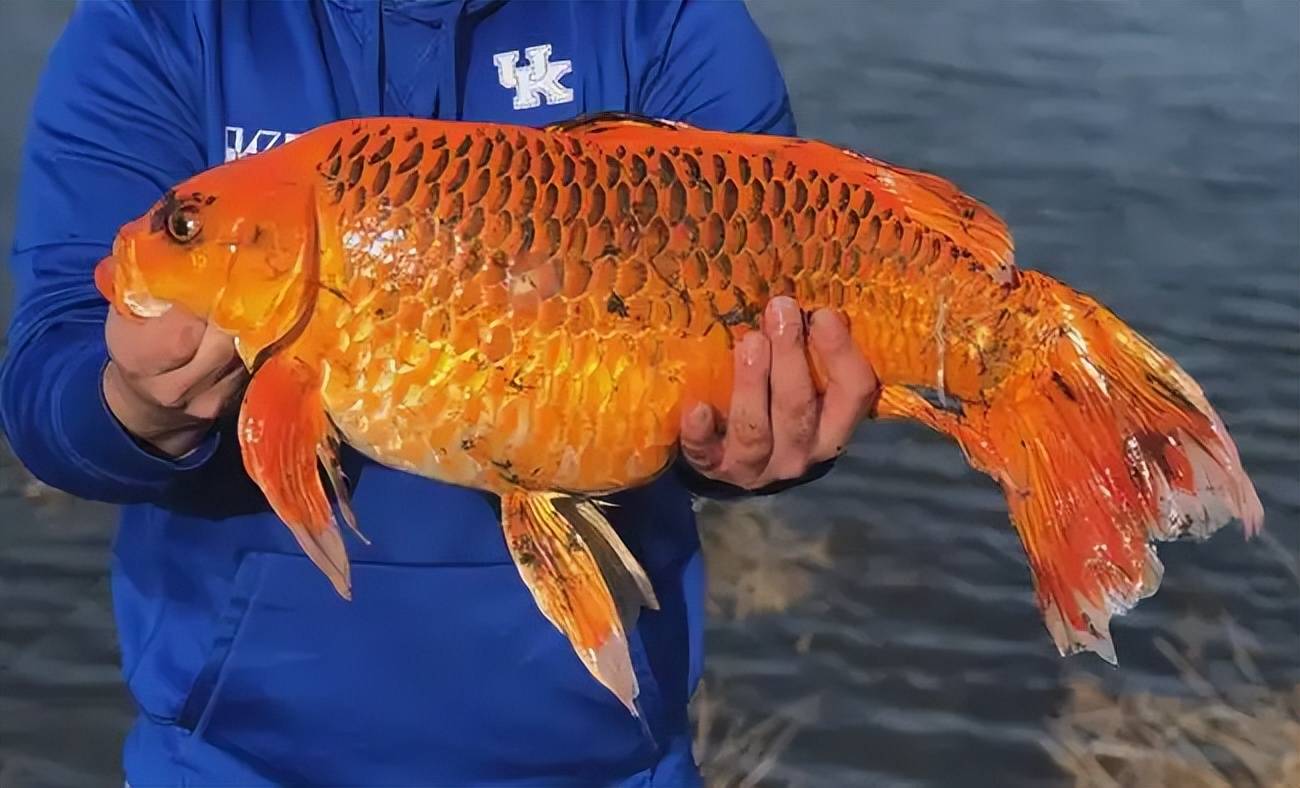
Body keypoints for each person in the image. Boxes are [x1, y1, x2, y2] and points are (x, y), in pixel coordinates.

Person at [0, 1, 878, 785]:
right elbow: (47, 382)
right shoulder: (158, 19)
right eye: (185, 226)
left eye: (184, 227)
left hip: (608, 758)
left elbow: (774, 338)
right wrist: (134, 407)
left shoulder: (666, 17)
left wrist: (758, 446)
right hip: (232, 758)